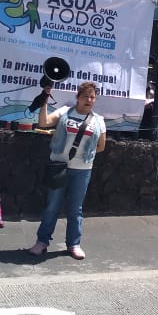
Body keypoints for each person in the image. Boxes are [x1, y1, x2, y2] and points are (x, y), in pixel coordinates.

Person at [27, 81, 106, 260]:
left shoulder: (98, 121)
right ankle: (42, 241)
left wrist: (82, 155)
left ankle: (74, 244)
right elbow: (44, 122)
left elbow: (101, 146)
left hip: (82, 170)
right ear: (77, 97)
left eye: (92, 97)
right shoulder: (65, 112)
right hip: (59, 167)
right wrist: (44, 101)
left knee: (75, 209)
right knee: (52, 206)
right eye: (85, 96)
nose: (89, 99)